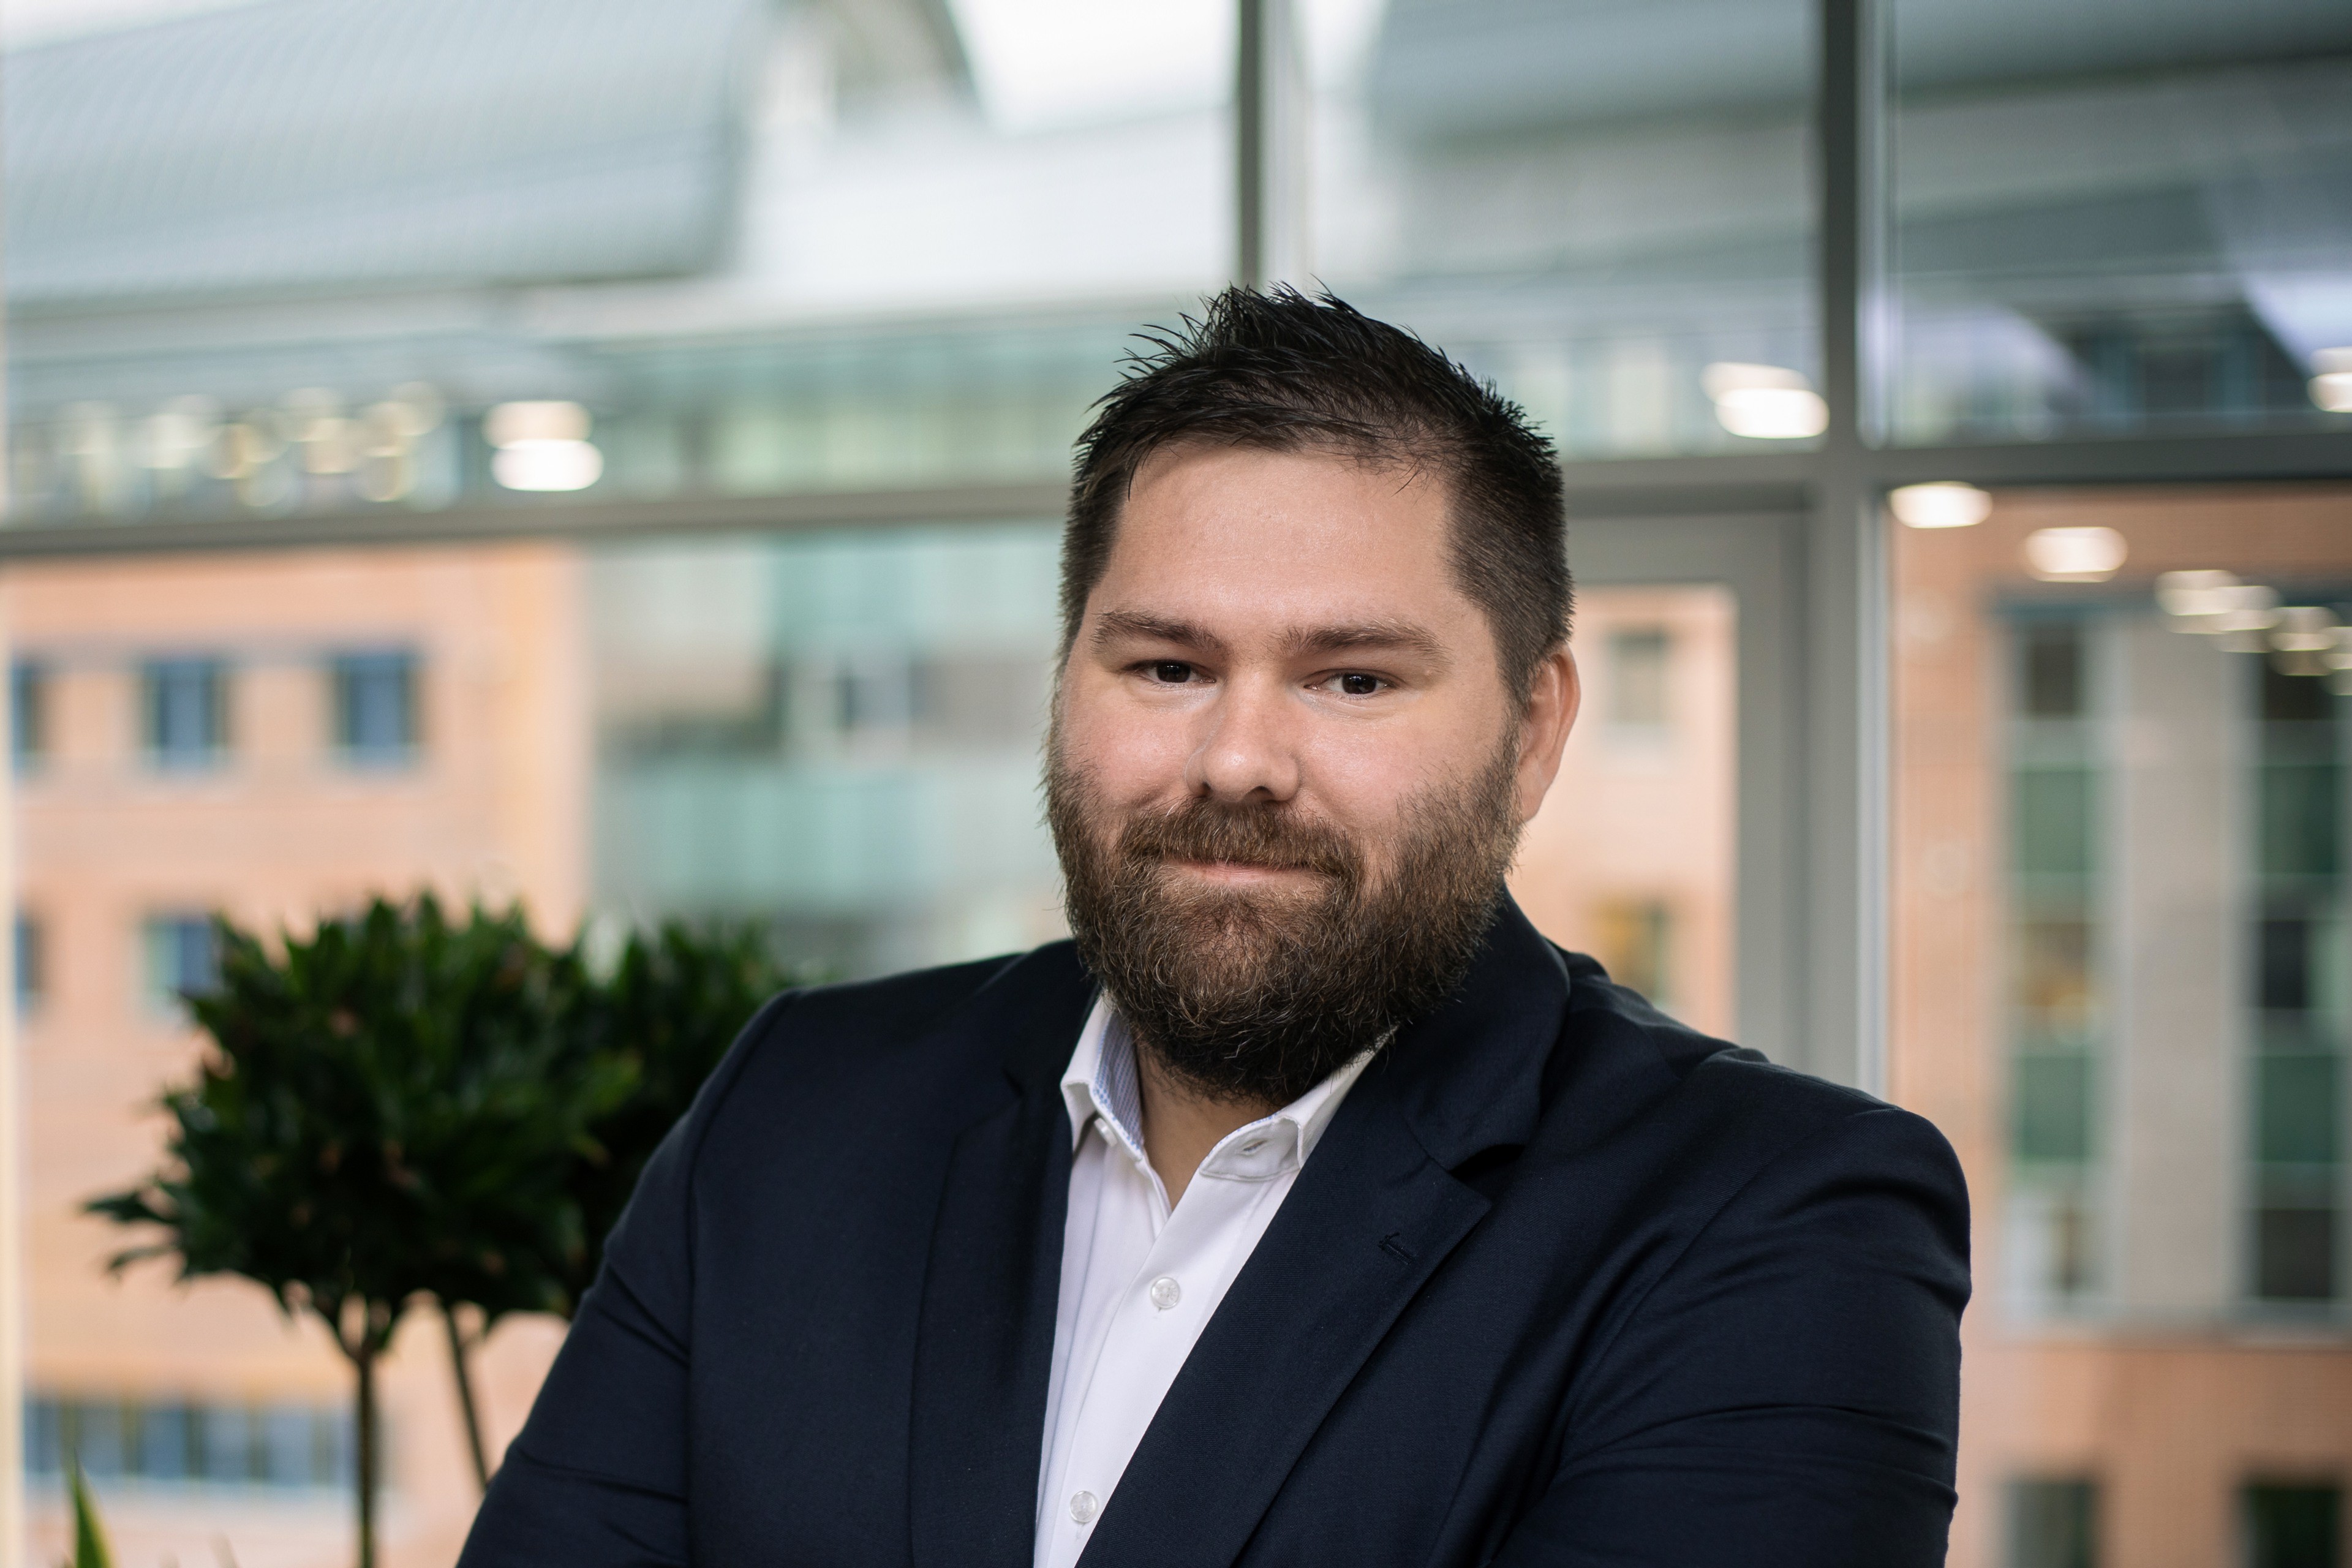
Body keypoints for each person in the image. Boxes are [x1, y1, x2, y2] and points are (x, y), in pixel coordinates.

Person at [458, 288, 1969, 1568]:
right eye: (1169, 666)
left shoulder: (1783, 1220)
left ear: (1531, 729)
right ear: (1069, 681)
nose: (1239, 759)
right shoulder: (795, 1108)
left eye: (1353, 678)